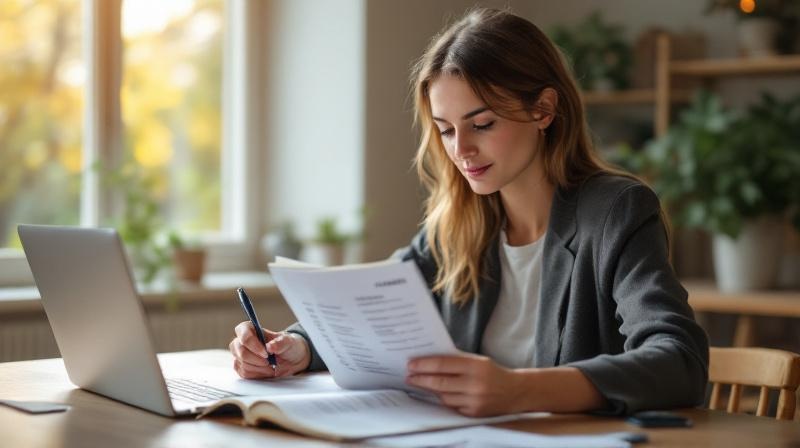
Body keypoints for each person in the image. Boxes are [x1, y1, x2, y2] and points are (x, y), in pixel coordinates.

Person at [228, 7, 708, 417]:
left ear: (544, 110)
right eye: (446, 129)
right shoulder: (458, 222)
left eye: (482, 123)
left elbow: (679, 361)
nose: (463, 150)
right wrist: (296, 347)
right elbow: (365, 308)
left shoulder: (615, 212)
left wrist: (520, 389)